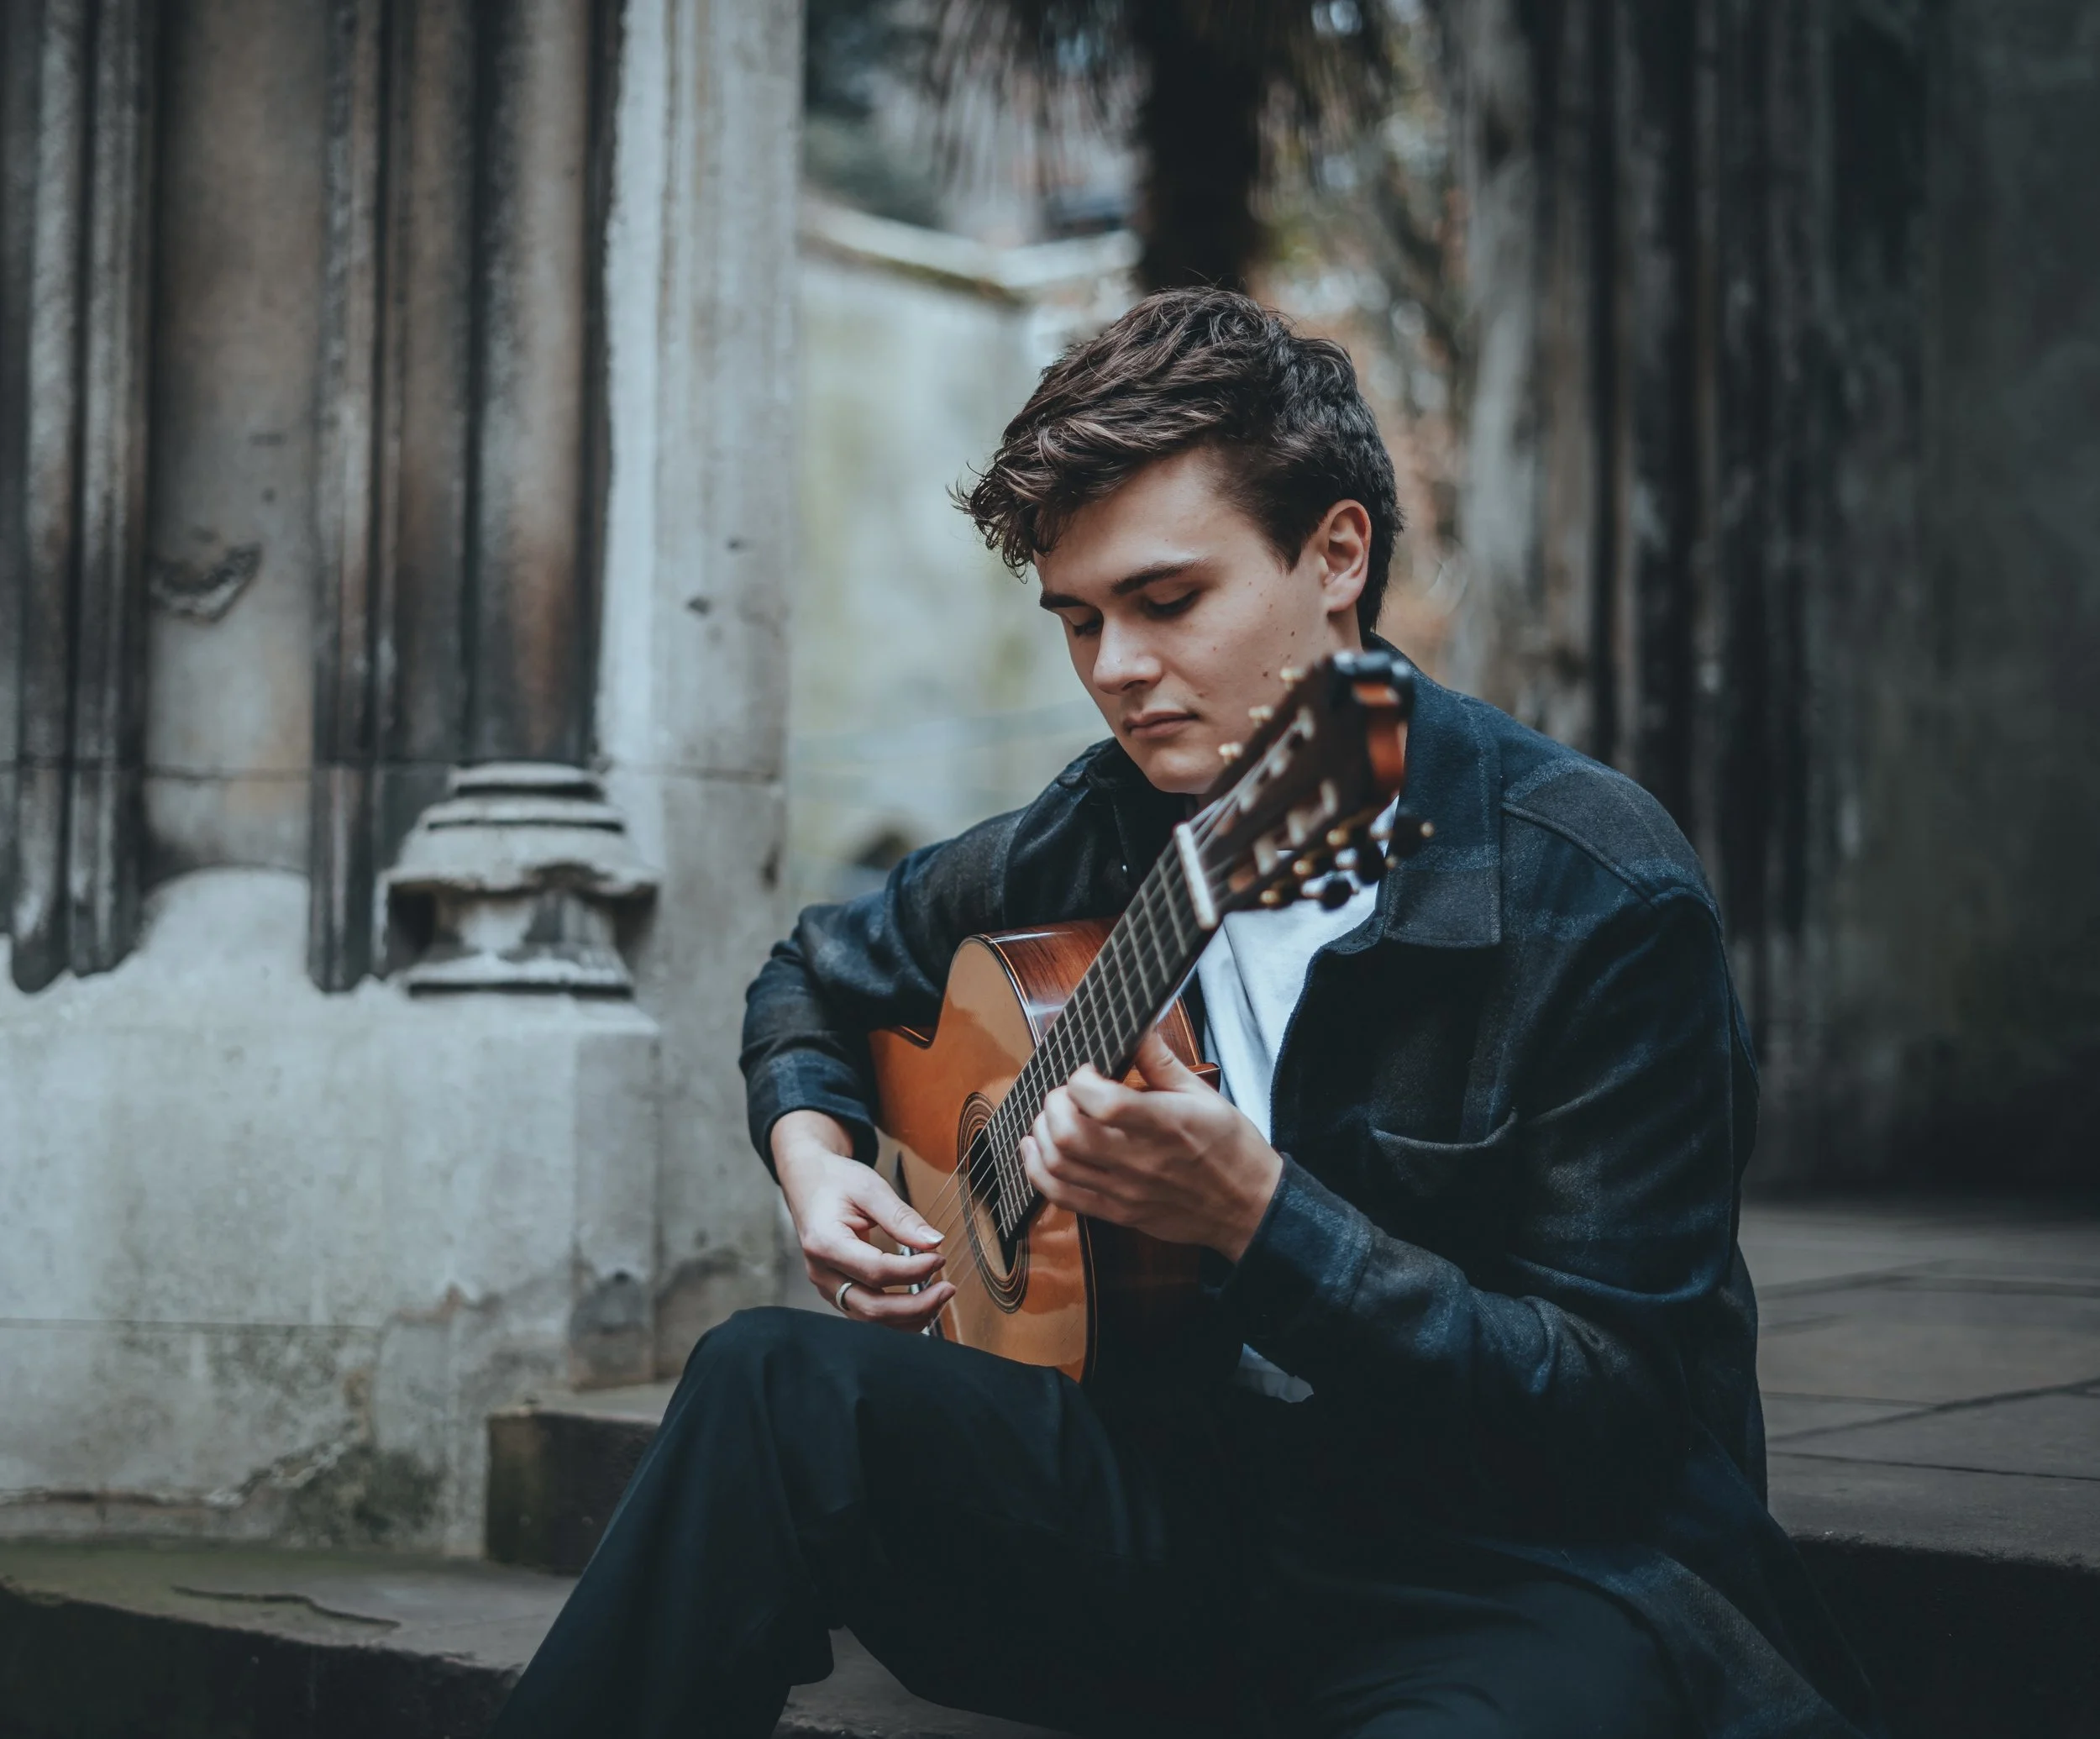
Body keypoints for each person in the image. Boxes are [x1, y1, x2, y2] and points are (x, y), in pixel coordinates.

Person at [491, 290, 1882, 1739]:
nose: (1115, 672)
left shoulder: (1592, 883)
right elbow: (816, 975)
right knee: (764, 1379)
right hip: (1191, 1525)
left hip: (1519, 1576)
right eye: (1079, 620)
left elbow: (1617, 1418)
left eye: (1167, 602)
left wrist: (1259, 1220)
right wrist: (814, 1154)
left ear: (1338, 556)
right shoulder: (1104, 824)